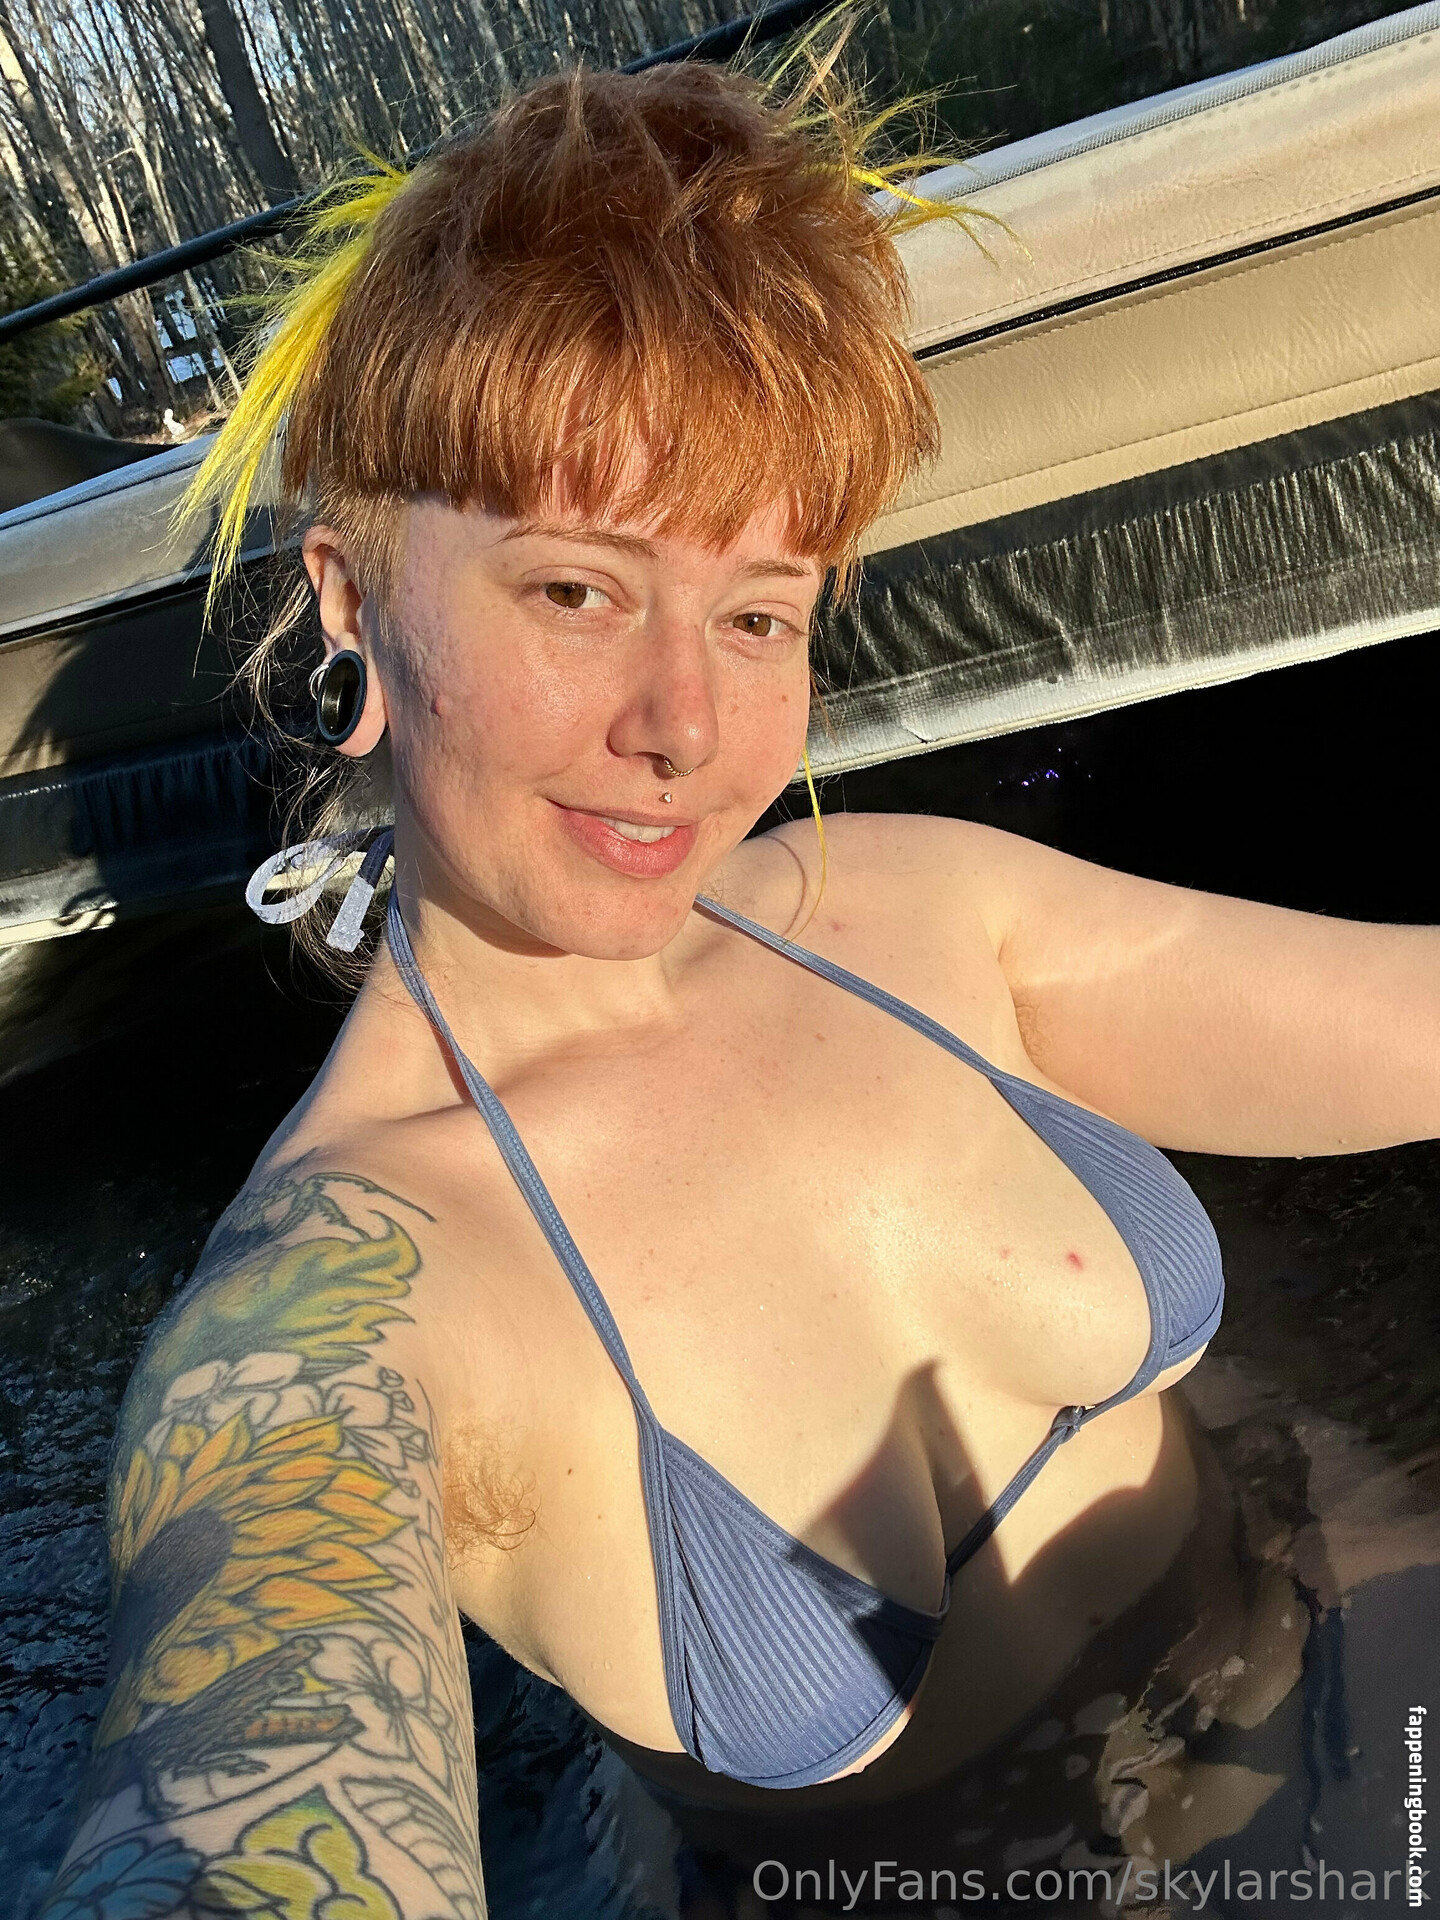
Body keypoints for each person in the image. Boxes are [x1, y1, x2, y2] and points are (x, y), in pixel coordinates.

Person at [43, 45, 1440, 1920]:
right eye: (577, 591)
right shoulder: (339, 1311)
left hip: (1336, 1637)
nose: (687, 728)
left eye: (759, 612)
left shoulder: (927, 918)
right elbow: (246, 1763)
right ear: (353, 602)